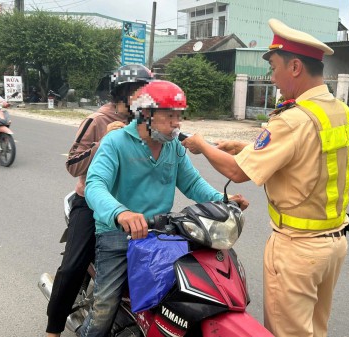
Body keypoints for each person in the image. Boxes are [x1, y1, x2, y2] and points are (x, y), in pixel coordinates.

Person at [181, 18, 349, 337]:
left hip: (297, 249)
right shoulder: (338, 112)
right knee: (316, 330)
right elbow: (305, 156)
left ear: (294, 67)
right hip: (333, 243)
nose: (272, 78)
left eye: (274, 67)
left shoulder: (293, 120)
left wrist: (202, 145)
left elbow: (237, 172)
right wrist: (245, 147)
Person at [78, 80, 248, 337]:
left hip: (160, 233)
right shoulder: (116, 141)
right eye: (170, 116)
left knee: (184, 293)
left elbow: (191, 183)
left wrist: (223, 200)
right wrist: (121, 213)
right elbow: (95, 185)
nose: (177, 124)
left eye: (179, 117)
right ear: (146, 114)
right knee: (104, 307)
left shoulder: (173, 146)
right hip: (118, 234)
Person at [45, 64, 154, 337]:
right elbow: (72, 165)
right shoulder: (97, 121)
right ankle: (53, 330)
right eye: (138, 91)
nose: (145, 97)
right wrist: (102, 142)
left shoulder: (147, 122)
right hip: (92, 204)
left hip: (132, 206)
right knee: (72, 268)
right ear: (122, 93)